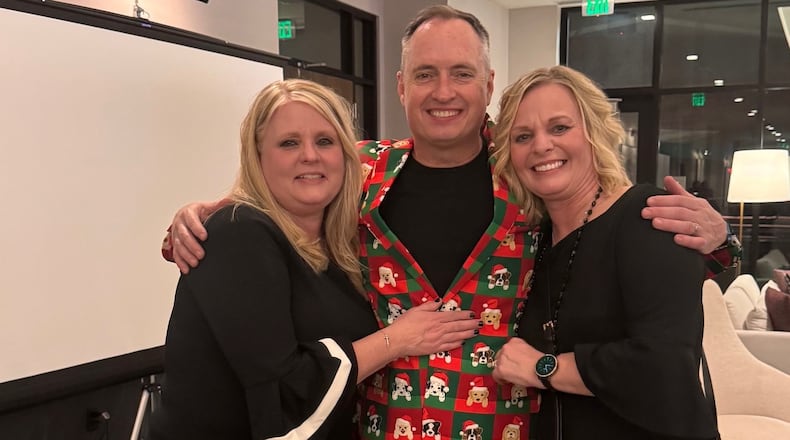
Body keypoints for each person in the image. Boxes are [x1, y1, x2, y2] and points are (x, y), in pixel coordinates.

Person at [161, 6, 739, 439]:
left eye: (462, 74)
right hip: (379, 427)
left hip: (509, 426)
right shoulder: (361, 173)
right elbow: (288, 184)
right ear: (400, 86)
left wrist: (718, 239)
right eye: (425, 74)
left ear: (488, 85)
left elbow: (607, 227)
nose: (444, 92)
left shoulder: (528, 170)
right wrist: (204, 213)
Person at [149, 79, 479, 440]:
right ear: (258, 156)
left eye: (325, 141)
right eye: (289, 143)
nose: (310, 155)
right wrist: (397, 339)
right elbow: (285, 391)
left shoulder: (336, 246)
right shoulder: (238, 233)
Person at [490, 66, 719, 439]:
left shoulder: (647, 215)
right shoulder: (535, 240)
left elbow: (664, 368)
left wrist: (543, 368)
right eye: (522, 136)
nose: (541, 145)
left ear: (595, 133)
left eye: (560, 127)